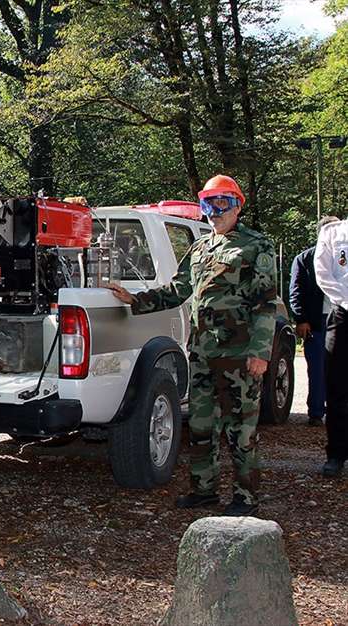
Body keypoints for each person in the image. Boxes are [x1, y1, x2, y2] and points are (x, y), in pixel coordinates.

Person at [107, 174, 277, 516]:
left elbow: (265, 304)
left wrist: (260, 352)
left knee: (240, 428)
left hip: (239, 353)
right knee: (201, 425)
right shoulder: (200, 248)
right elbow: (177, 290)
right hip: (201, 351)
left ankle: (246, 496)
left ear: (238, 205)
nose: (215, 211)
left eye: (223, 203)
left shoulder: (257, 245)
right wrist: (136, 300)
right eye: (209, 204)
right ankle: (204, 490)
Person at [290, 216, 340, 426]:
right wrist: (301, 319)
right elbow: (295, 292)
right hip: (316, 323)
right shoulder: (304, 259)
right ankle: (316, 413)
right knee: (318, 369)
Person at [314, 215, 348, 477]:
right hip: (342, 314)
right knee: (336, 387)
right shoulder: (333, 233)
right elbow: (323, 274)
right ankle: (336, 454)